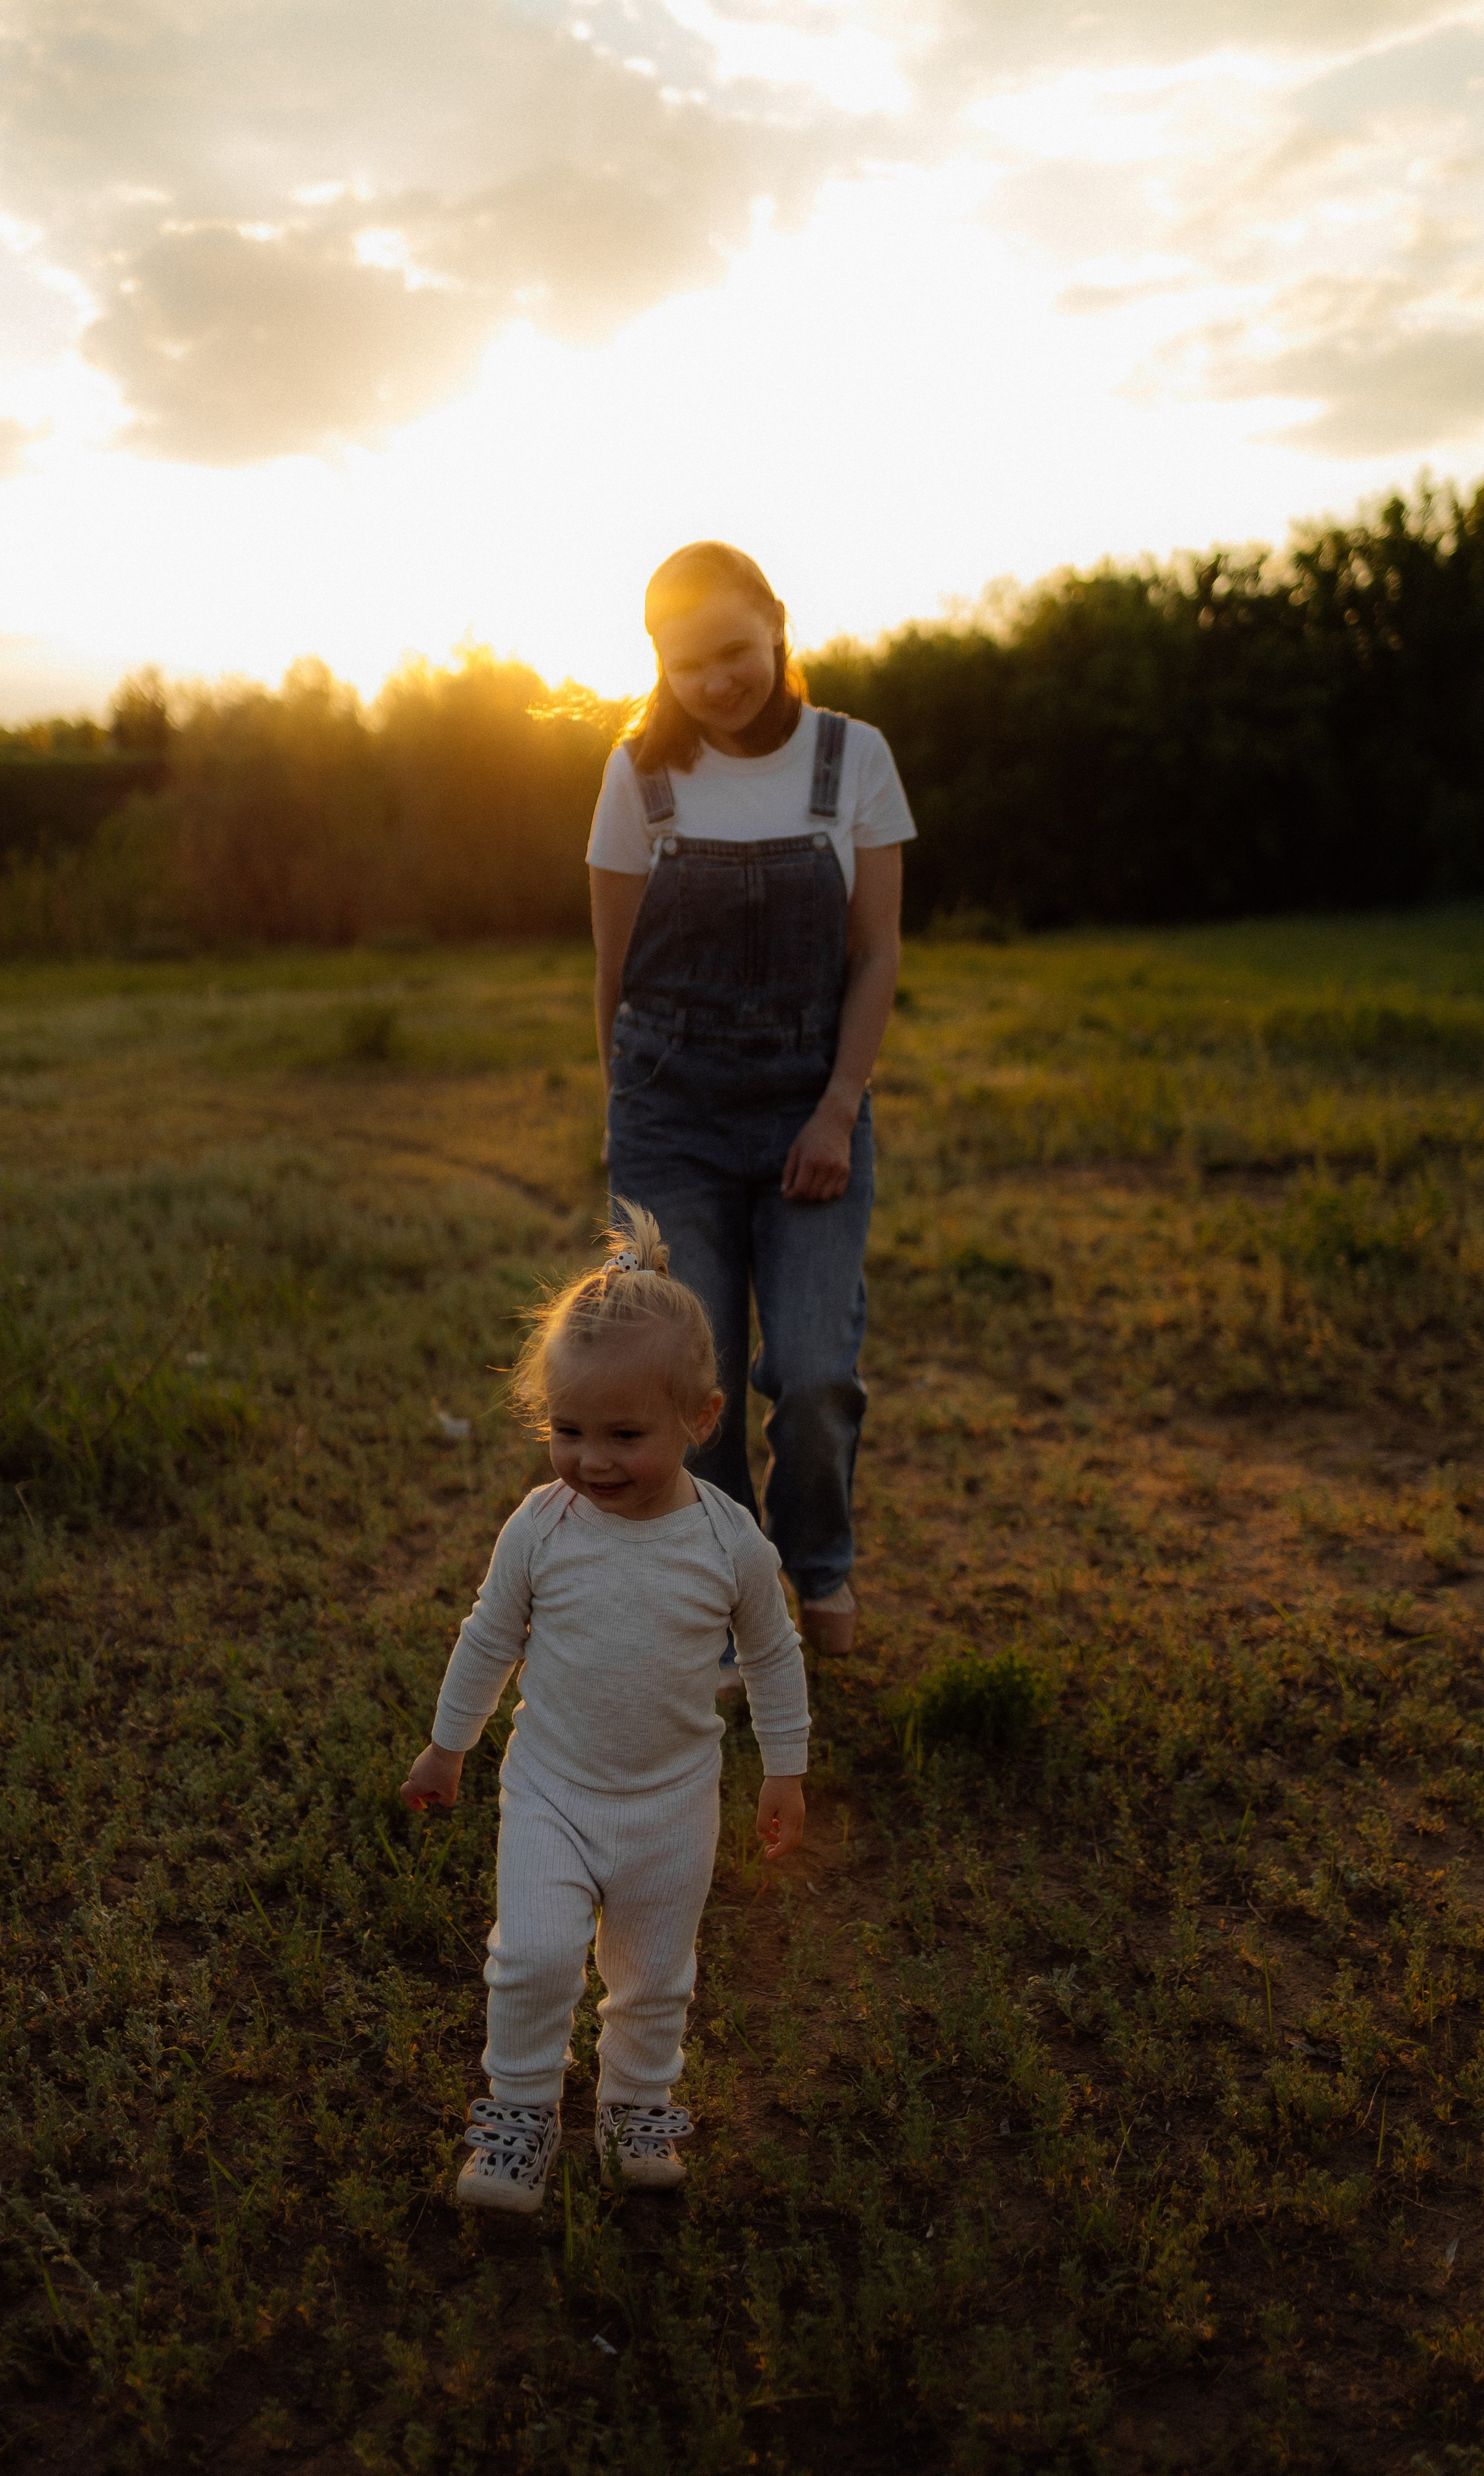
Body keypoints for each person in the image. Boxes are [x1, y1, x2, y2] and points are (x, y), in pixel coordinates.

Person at [399, 1203, 809, 2217]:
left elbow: (770, 1652)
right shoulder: (541, 1530)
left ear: (701, 1422)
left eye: (625, 1435)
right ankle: (520, 2110)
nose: (591, 1461)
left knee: (653, 1974)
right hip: (552, 1787)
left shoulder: (730, 1547)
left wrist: (789, 1770)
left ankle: (635, 2102)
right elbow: (490, 1636)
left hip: (674, 1800)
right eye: (568, 1431)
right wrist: (449, 1747)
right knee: (533, 1953)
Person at [588, 540, 915, 1663]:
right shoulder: (640, 777)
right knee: (695, 1378)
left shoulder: (852, 758)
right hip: (672, 1115)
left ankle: (817, 1561)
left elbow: (875, 957)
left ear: (777, 621)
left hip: (807, 1110)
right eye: (688, 667)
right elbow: (614, 974)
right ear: (659, 669)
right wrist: (626, 1120)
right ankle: (728, 1599)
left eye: (735, 650)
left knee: (818, 1370)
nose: (718, 682)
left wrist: (836, 1108)